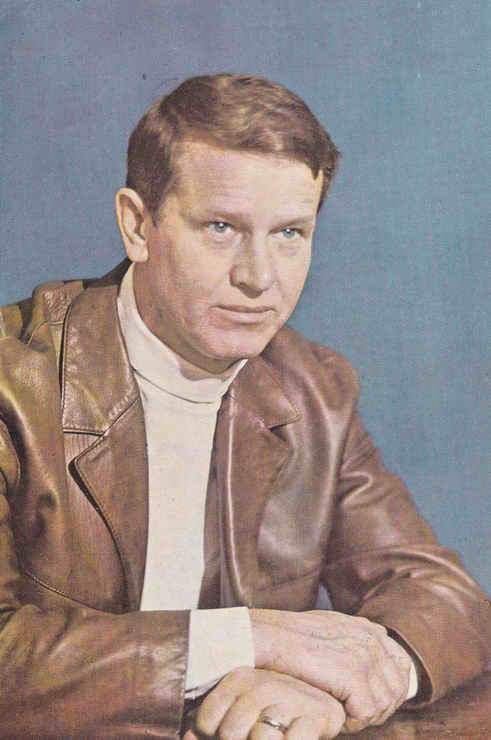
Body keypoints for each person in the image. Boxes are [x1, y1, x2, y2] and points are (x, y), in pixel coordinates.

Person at [0, 74, 489, 740]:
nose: (259, 277)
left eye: (289, 233)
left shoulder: (313, 389)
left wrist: (337, 689)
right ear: (137, 226)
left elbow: (441, 593)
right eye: (221, 227)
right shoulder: (14, 379)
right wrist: (254, 641)